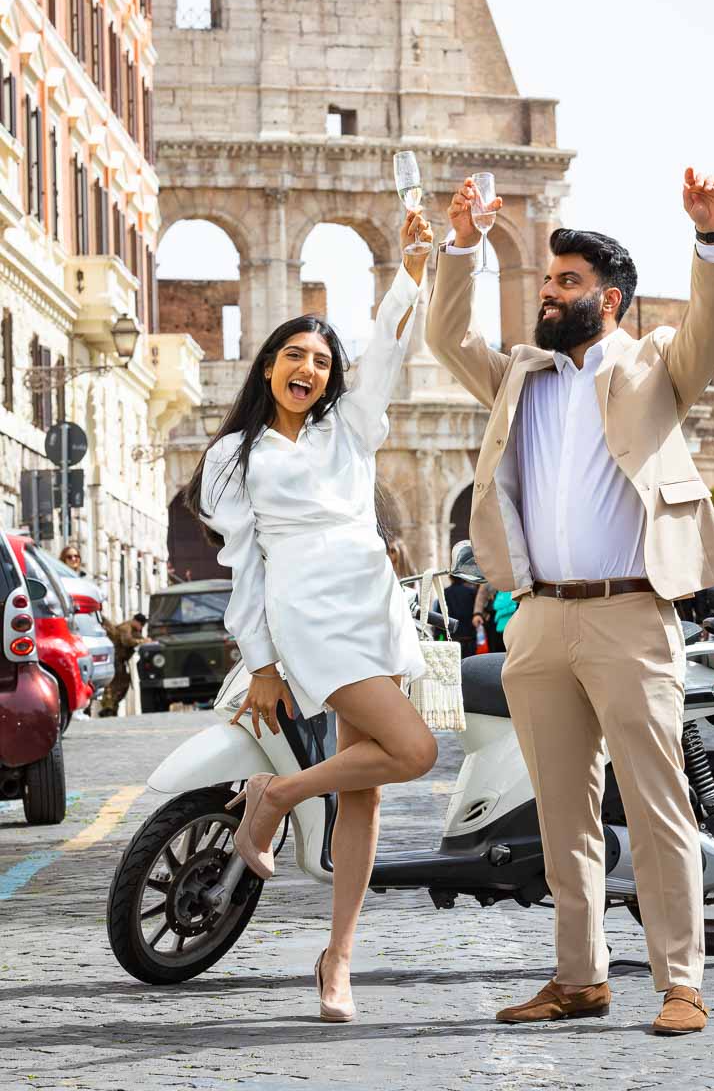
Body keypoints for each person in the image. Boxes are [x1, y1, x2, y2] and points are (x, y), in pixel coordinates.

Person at [428, 168, 714, 1036]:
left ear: (609, 301)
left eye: (567, 282)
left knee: (656, 804)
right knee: (563, 812)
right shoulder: (518, 378)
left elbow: (712, 331)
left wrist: (710, 240)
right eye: (549, 279)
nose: (550, 292)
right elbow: (445, 332)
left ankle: (682, 984)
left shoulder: (656, 368)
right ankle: (579, 977)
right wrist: (462, 245)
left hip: (632, 617)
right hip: (539, 620)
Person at [185, 210, 437, 1024]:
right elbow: (244, 564)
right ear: (268, 369)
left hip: (373, 604)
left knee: (368, 791)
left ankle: (338, 962)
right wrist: (260, 661)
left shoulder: (349, 431)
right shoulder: (234, 458)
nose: (309, 368)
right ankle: (279, 792)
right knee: (414, 749)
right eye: (294, 354)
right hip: (309, 614)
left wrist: (413, 266)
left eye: (322, 360)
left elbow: (391, 347)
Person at [98, 613, 148, 716]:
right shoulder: (126, 627)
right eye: (141, 625)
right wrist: (141, 641)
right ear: (136, 621)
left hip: (120, 661)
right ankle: (108, 707)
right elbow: (127, 641)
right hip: (115, 658)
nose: (141, 628)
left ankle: (112, 707)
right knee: (113, 684)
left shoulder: (134, 630)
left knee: (123, 683)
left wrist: (144, 640)